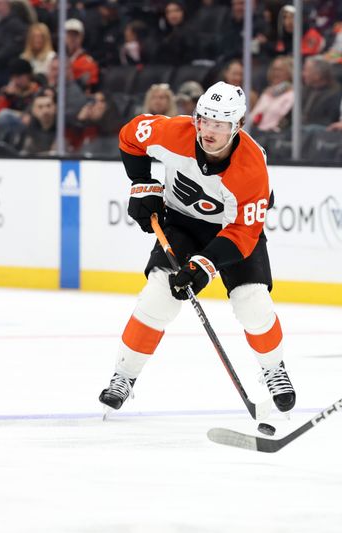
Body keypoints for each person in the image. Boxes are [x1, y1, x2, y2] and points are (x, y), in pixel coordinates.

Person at [98, 81, 295, 417]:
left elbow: (245, 232)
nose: (209, 131)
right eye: (204, 120)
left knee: (252, 302)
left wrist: (204, 265)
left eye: (220, 124)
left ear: (238, 126)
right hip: (182, 223)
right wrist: (142, 184)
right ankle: (124, 376)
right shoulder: (174, 132)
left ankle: (274, 368)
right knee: (158, 296)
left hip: (232, 231)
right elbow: (130, 135)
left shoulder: (251, 169)